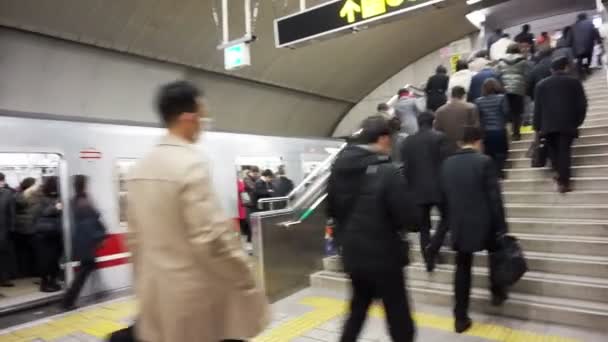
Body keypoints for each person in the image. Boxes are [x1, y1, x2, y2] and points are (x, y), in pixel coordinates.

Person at [126, 81, 268, 342]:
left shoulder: (138, 170)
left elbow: (134, 241)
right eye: (203, 115)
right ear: (188, 118)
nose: (204, 122)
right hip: (194, 301)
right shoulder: (190, 164)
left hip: (155, 298)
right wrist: (245, 276)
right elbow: (210, 238)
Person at [327, 115, 420, 342]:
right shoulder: (387, 171)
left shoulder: (337, 170)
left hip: (352, 254)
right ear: (382, 138)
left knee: (358, 309)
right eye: (390, 140)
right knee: (399, 318)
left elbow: (331, 210)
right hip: (384, 257)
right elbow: (411, 219)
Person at [428, 126, 508, 334]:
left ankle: (460, 318)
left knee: (463, 268)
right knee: (495, 255)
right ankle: (496, 292)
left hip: (460, 224)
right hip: (486, 223)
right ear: (478, 141)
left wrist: (447, 224)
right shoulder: (484, 162)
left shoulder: (447, 164)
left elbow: (442, 199)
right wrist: (501, 226)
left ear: (460, 142)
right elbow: (494, 199)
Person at [400, 112, 449, 272]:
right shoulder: (440, 137)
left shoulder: (408, 141)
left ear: (418, 123)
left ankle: (428, 261)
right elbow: (445, 163)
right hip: (439, 187)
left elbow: (406, 168)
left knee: (424, 227)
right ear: (433, 121)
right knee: (447, 218)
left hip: (416, 190)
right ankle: (433, 248)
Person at [534, 57, 587, 193]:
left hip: (547, 125)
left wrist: (537, 126)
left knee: (554, 151)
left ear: (552, 69)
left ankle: (559, 175)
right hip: (567, 123)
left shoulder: (541, 85)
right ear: (566, 67)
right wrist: (577, 121)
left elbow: (537, 108)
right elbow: (582, 105)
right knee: (564, 151)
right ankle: (563, 181)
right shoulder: (574, 82)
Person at [62, 175, 107, 310]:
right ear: (84, 185)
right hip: (87, 240)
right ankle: (68, 301)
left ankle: (99, 291)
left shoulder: (75, 200)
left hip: (82, 239)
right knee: (84, 271)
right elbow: (91, 220)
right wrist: (100, 236)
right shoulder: (84, 201)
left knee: (90, 266)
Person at [31, 176, 63, 293]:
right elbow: (39, 213)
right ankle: (45, 284)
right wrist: (55, 208)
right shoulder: (40, 197)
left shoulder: (58, 197)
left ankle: (53, 281)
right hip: (44, 235)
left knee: (54, 259)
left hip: (55, 233)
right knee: (46, 261)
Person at [475, 78, 509, 177]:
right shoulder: (502, 98)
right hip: (499, 130)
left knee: (489, 153)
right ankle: (500, 171)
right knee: (501, 152)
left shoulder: (478, 101)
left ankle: (492, 173)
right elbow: (506, 112)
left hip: (486, 132)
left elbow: (478, 116)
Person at [496, 43, 529, 141]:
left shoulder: (501, 61)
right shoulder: (523, 60)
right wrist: (525, 86)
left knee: (507, 111)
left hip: (505, 89)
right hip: (518, 89)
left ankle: (508, 133)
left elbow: (497, 74)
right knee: (517, 113)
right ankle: (516, 134)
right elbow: (527, 74)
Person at [434, 86, 480, 152]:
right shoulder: (471, 107)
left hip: (447, 148)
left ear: (451, 95)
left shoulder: (440, 110)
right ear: (464, 95)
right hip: (466, 148)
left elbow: (437, 130)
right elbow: (476, 127)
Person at [13, 177, 37, 278]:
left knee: (22, 252)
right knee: (32, 251)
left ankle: (23, 272)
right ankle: (31, 272)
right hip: (30, 227)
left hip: (19, 228)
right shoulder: (32, 196)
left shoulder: (16, 195)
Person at [572, 13, 601, 77]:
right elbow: (595, 32)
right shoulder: (590, 23)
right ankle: (587, 68)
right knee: (588, 57)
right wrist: (599, 41)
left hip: (577, 47)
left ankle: (581, 73)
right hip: (588, 45)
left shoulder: (574, 26)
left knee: (580, 58)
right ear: (585, 17)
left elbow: (571, 36)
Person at [0, 172, 16, 289]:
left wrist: (11, 228)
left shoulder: (7, 194)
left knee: (3, 256)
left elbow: (12, 213)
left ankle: (4, 279)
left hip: (3, 230)